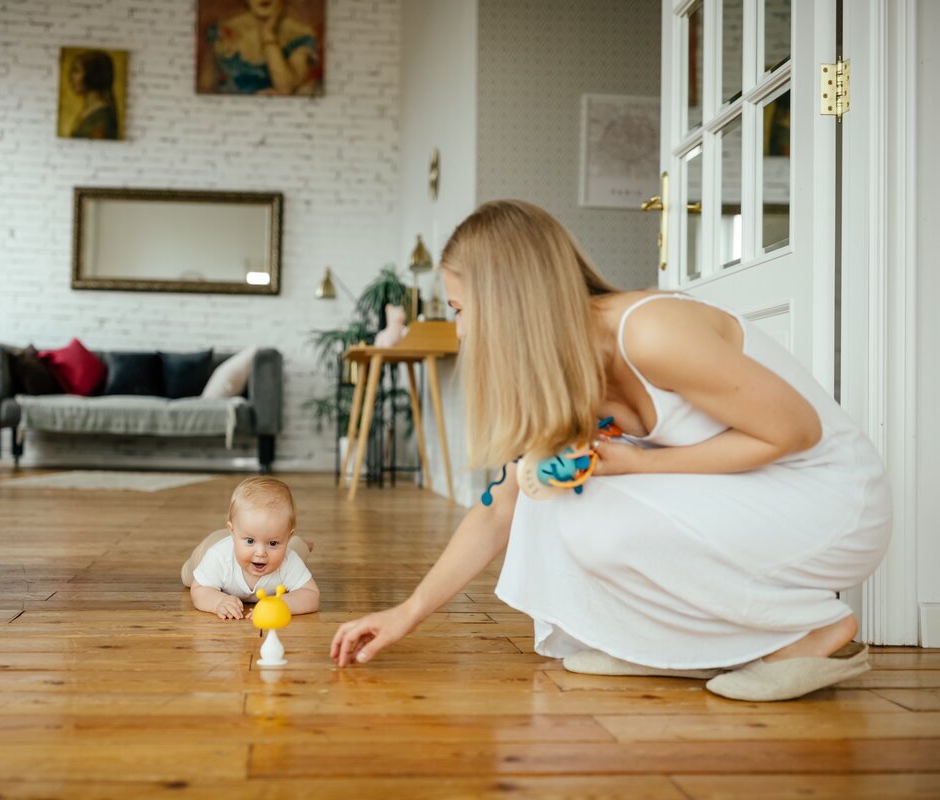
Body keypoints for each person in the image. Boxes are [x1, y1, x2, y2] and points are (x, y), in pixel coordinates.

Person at [330, 200, 891, 702]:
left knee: (588, 515)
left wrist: (641, 462)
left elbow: (795, 433)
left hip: (832, 502)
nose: (460, 330)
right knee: (543, 488)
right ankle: (664, 646)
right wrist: (406, 614)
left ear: (506, 302)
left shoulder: (650, 332)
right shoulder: (562, 369)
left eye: (458, 308)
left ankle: (813, 629)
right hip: (755, 503)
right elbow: (501, 505)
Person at [183, 476, 320, 619]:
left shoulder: (288, 559)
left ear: (288, 537)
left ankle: (299, 543)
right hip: (212, 543)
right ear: (232, 531)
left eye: (272, 543)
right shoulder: (218, 557)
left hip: (270, 542)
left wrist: (282, 604)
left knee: (295, 552)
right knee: (188, 576)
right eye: (250, 541)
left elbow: (311, 594)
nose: (260, 553)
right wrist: (218, 601)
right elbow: (199, 589)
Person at [197, 0, 320, 95]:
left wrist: (268, 34)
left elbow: (285, 88)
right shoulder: (223, 32)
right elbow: (206, 87)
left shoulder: (301, 35)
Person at [67, 50, 119, 139]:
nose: (71, 76)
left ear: (91, 75)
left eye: (76, 71)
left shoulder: (102, 117)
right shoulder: (89, 110)